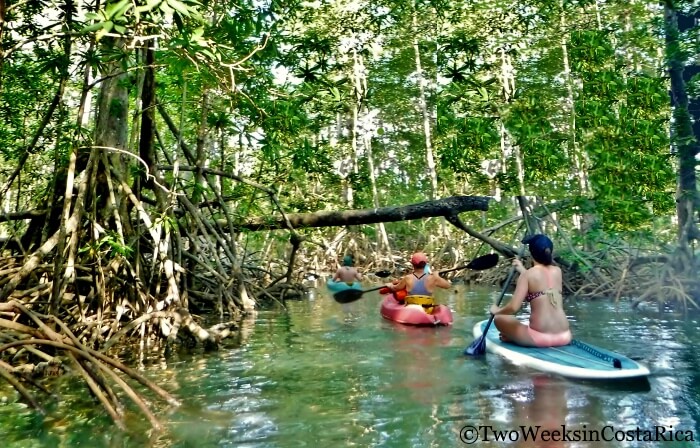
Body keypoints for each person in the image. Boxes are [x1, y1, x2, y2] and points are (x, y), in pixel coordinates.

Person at [490, 234, 572, 347]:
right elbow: (542, 286)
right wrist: (522, 269)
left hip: (539, 338)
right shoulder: (557, 271)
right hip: (565, 336)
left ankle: (512, 337)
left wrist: (496, 311)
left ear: (531, 253)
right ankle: (513, 337)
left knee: (500, 318)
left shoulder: (528, 275)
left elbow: (513, 308)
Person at [384, 252, 451, 312]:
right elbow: (448, 286)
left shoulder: (407, 278)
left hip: (411, 309)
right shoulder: (433, 278)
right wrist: (437, 276)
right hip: (428, 310)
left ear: (412, 264)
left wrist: (390, 285)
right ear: (425, 264)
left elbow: (395, 288)